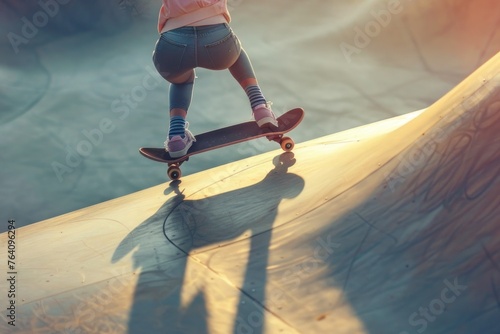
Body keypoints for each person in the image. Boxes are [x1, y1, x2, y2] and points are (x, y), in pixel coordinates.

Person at [153, 0, 278, 158]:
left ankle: (176, 136)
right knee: (237, 52)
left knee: (181, 80)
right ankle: (260, 107)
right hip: (217, 39)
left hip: (173, 43)